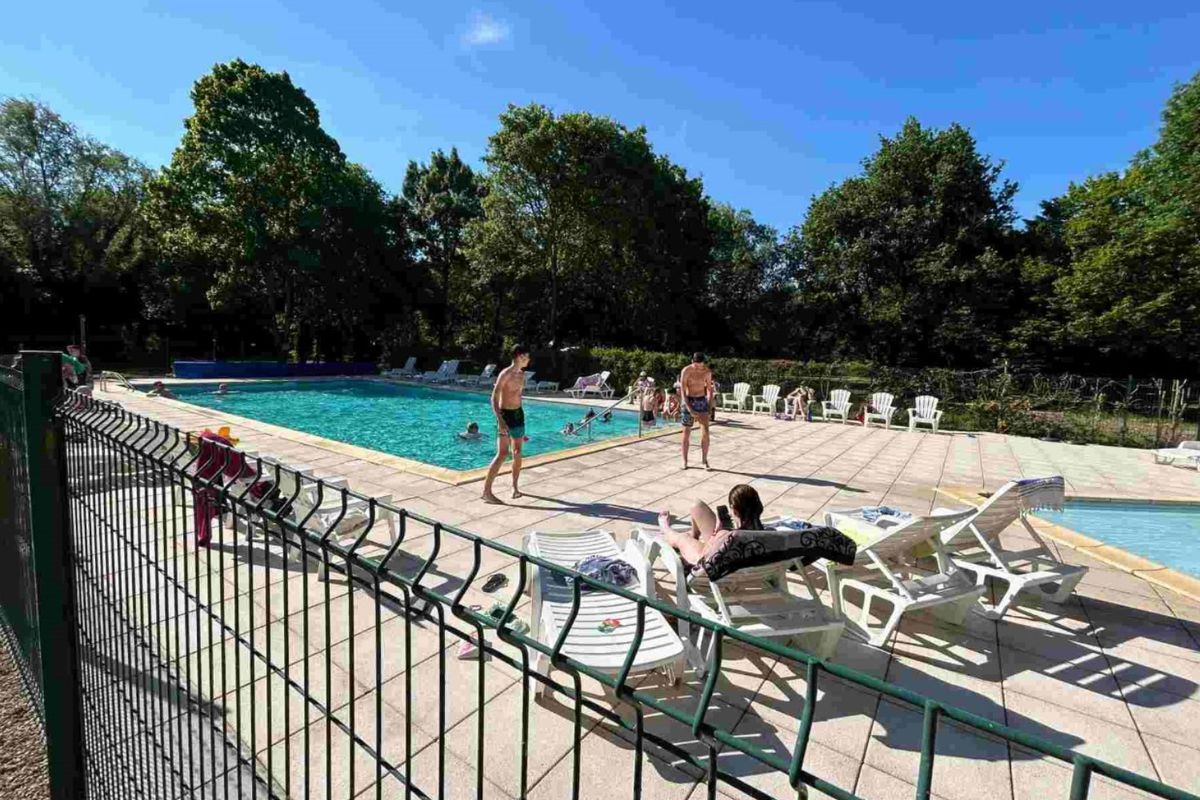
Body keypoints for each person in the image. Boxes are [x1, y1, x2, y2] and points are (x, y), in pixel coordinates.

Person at [656, 484, 766, 568]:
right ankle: (693, 535)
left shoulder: (728, 536)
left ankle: (665, 527)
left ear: (735, 511)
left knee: (683, 538)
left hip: (706, 565)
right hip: (738, 564)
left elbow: (707, 554)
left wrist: (717, 532)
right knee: (697, 506)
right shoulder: (768, 535)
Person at [482, 344, 531, 503]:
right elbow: (494, 397)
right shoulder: (505, 374)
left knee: (517, 452)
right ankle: (487, 492)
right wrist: (500, 420)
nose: (528, 360)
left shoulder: (521, 375)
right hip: (505, 415)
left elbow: (518, 396)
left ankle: (515, 488)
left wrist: (521, 422)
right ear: (519, 356)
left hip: (518, 415)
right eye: (526, 357)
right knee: (503, 453)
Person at [678, 352, 714, 470]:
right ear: (692, 361)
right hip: (689, 400)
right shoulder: (686, 370)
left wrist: (709, 406)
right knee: (686, 432)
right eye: (696, 364)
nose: (698, 367)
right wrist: (689, 408)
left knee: (706, 432)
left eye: (700, 364)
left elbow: (709, 390)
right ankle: (684, 461)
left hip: (701, 401)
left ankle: (704, 461)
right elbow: (682, 390)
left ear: (703, 362)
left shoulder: (707, 372)